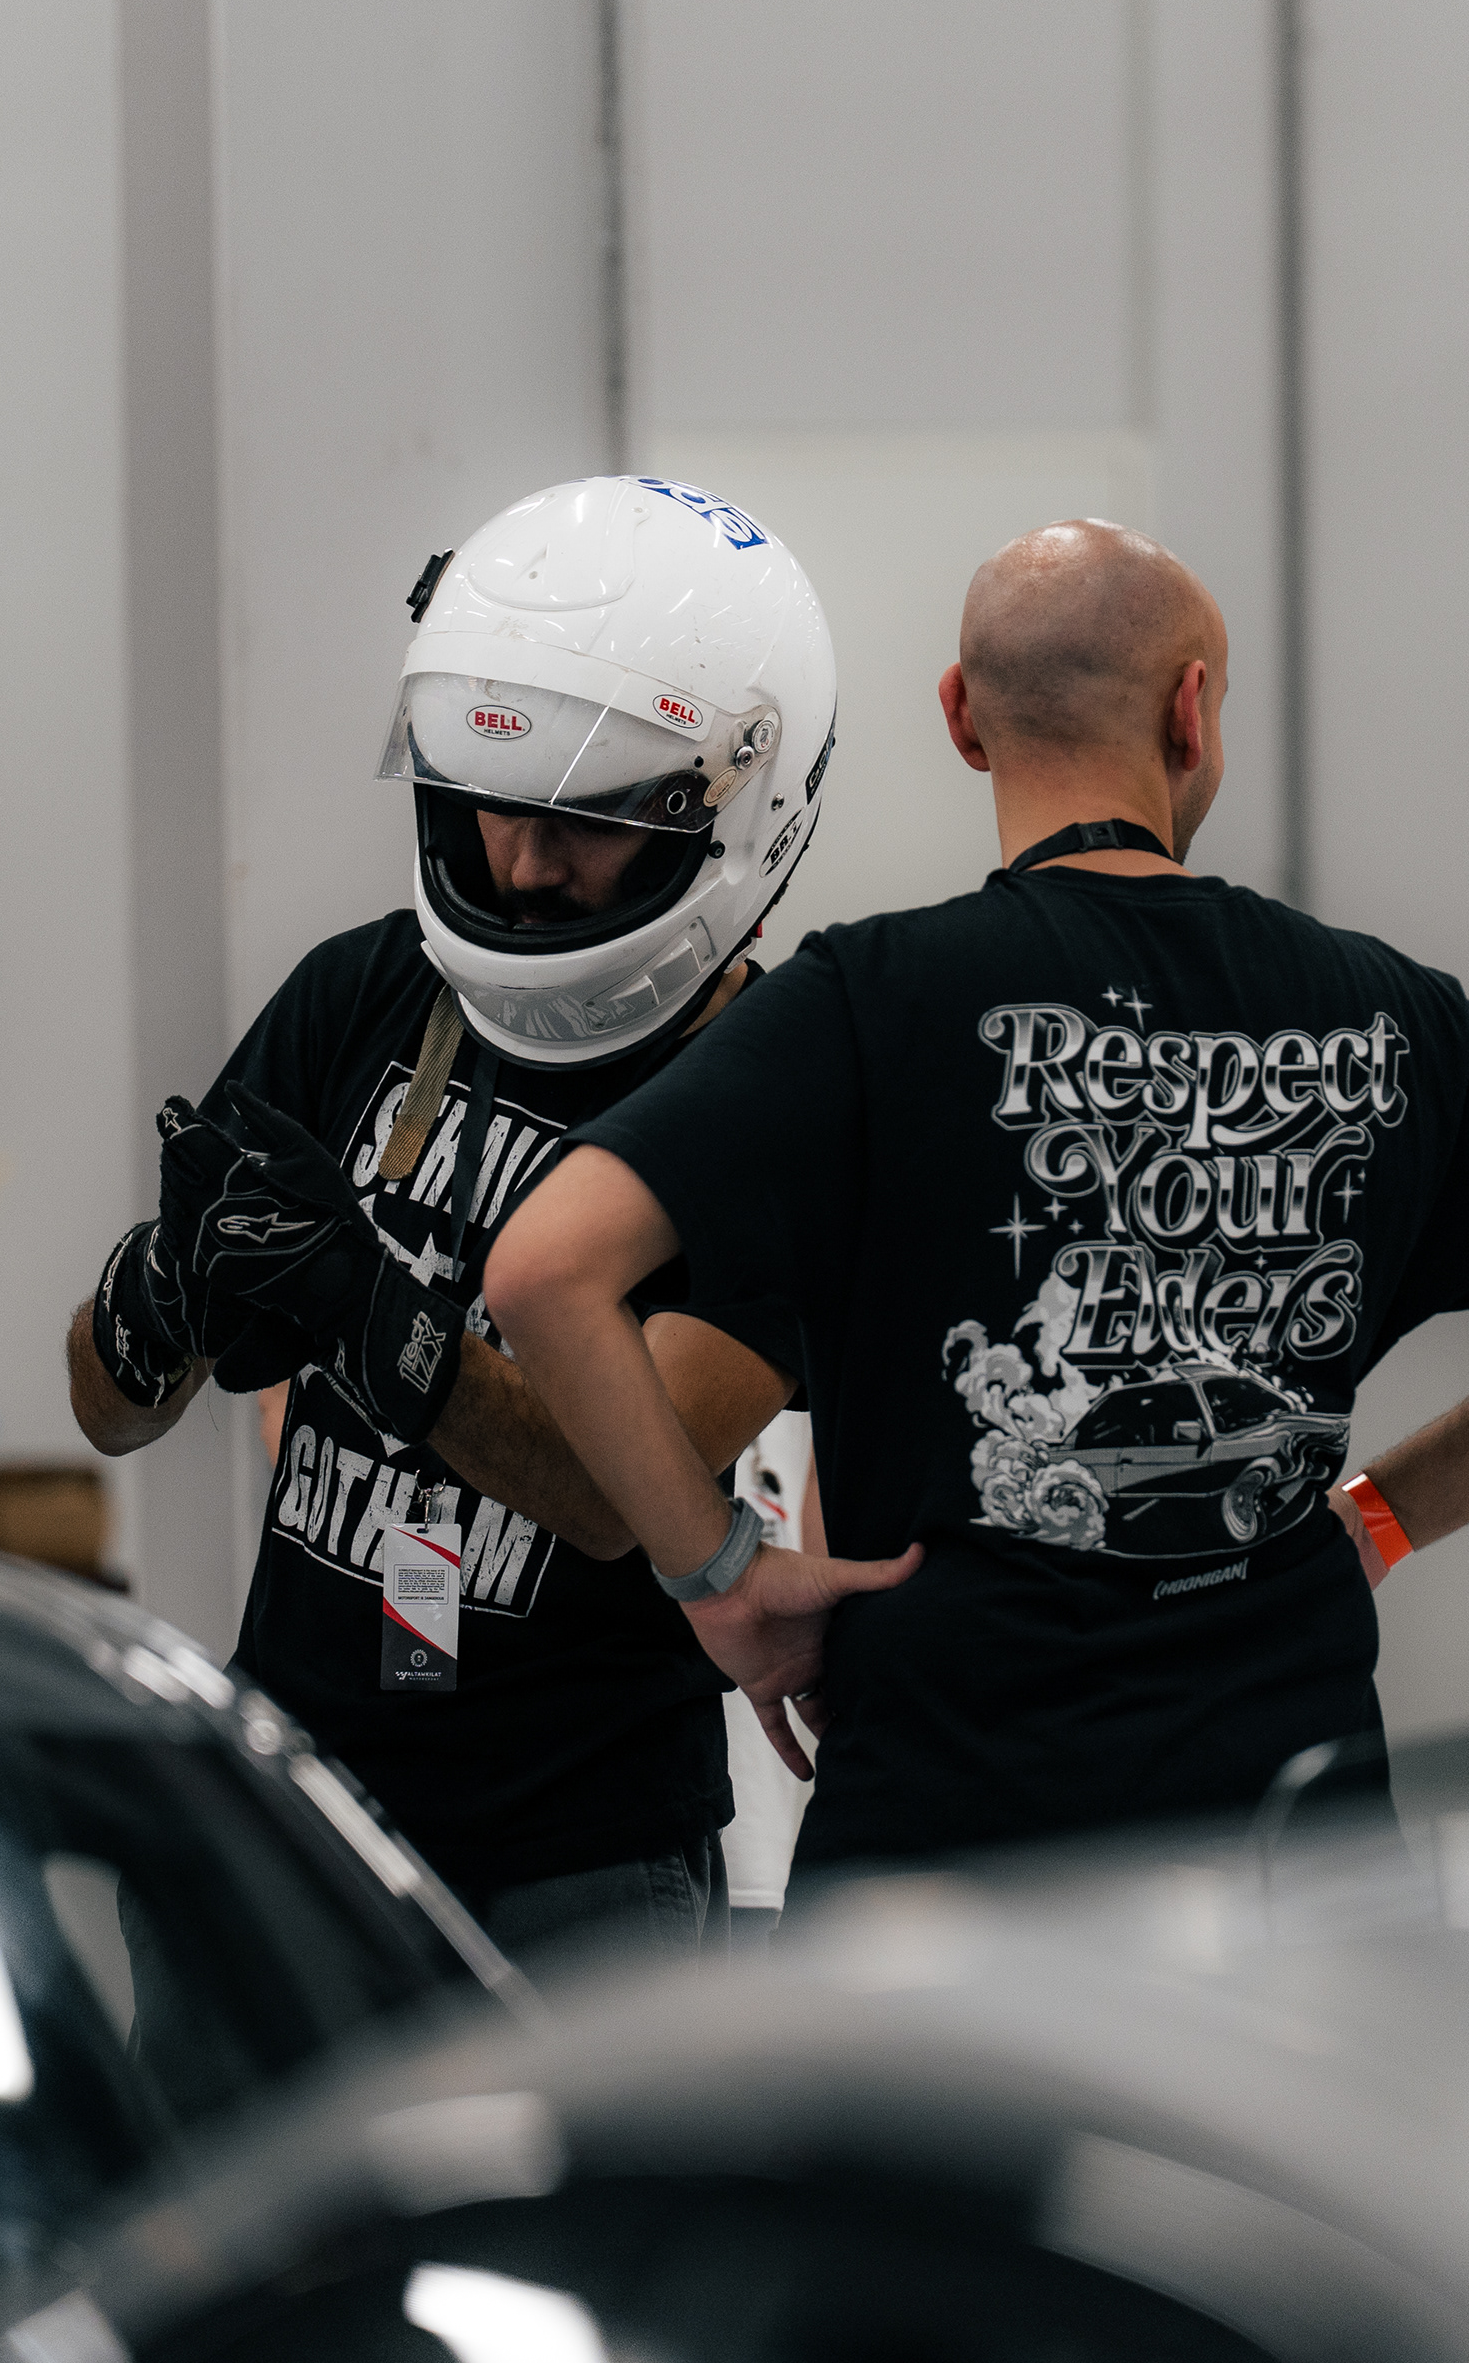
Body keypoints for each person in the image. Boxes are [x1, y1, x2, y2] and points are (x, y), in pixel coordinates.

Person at [486, 519, 1469, 1887]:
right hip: (1288, 1863)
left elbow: (544, 1272)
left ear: (960, 717)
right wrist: (1383, 1516)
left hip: (947, 1856)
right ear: (1191, 710)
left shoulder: (867, 1002)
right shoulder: (1394, 1016)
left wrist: (720, 1578)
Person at [66, 474, 907, 1969]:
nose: (520, 864)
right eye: (491, 801)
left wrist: (364, 1308)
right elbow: (109, 1410)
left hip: (576, 1857)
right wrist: (163, 1295)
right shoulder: (362, 990)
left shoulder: (779, 1094)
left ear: (735, 805)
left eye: (588, 823)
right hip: (295, 1812)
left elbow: (620, 1489)